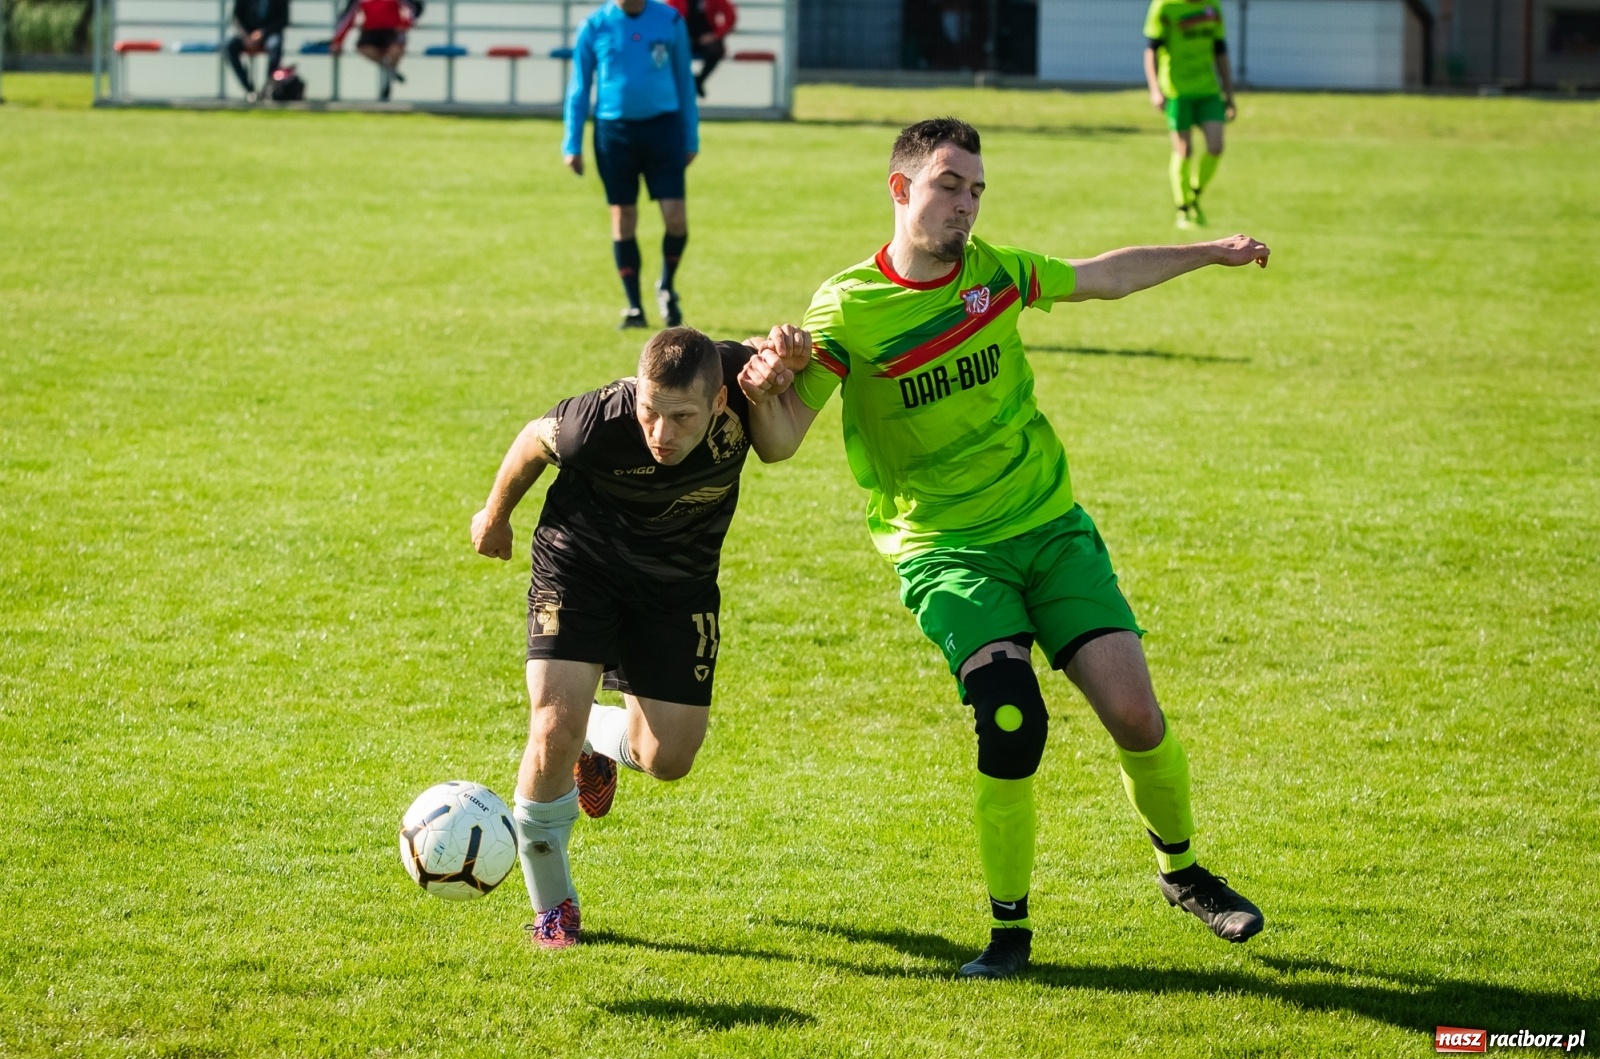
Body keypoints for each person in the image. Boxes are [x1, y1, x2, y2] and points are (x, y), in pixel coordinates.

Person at [748, 118, 1270, 979]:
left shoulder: (994, 273)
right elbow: (779, 442)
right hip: (947, 551)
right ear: (901, 188)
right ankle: (1010, 934)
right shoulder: (847, 307)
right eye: (951, 185)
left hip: (1050, 525)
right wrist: (769, 386)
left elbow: (1100, 277)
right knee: (1011, 719)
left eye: (977, 190)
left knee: (1136, 716)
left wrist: (1207, 251)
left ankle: (1182, 875)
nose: (967, 205)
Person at [470, 324, 808, 949]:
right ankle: (553, 907)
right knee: (550, 726)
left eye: (680, 418)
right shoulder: (594, 422)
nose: (660, 434)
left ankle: (592, 740)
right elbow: (530, 443)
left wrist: (792, 355)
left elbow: (794, 382)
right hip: (580, 567)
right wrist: (495, 517)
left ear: (718, 403)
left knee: (668, 759)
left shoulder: (741, 379)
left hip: (678, 589)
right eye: (650, 412)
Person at [562, 0, 699, 331]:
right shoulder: (594, 26)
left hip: (663, 130)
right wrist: (572, 142)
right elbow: (579, 87)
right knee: (623, 219)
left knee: (676, 219)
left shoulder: (669, 21)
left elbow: (685, 82)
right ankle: (634, 307)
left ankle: (666, 285)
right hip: (614, 133)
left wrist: (691, 136)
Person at [1143, 0, 1235, 227]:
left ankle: (1194, 193)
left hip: (1208, 90)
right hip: (1177, 91)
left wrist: (1229, 93)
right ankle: (1183, 209)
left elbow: (1220, 51)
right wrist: (1155, 90)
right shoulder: (1164, 6)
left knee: (1216, 146)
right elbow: (1151, 50)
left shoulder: (1213, 7)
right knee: (1184, 150)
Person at [330, 0, 419, 102]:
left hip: (393, 29)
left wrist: (406, 23)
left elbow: (411, 8)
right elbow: (348, 18)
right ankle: (389, 70)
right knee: (363, 48)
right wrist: (338, 42)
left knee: (396, 50)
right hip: (371, 30)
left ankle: (389, 76)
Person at [665, 0, 736, 97]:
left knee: (715, 52)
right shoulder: (675, 1)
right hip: (685, 36)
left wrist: (715, 35)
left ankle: (698, 80)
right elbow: (668, 18)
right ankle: (689, 83)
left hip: (707, 36)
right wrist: (680, 37)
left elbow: (730, 16)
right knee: (674, 53)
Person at [225, 0, 291, 101]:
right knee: (230, 47)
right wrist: (245, 36)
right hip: (247, 33)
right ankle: (249, 89)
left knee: (275, 45)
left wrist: (263, 32)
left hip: (270, 33)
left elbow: (283, 20)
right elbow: (236, 17)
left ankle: (268, 89)